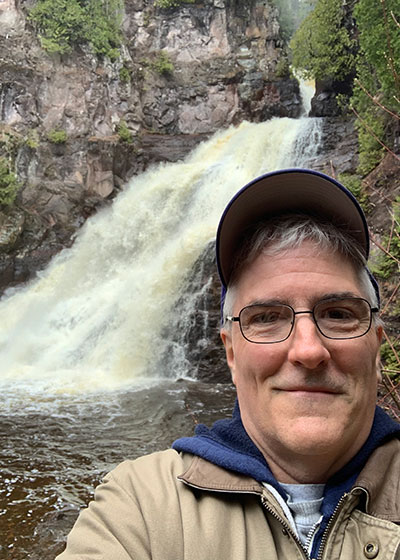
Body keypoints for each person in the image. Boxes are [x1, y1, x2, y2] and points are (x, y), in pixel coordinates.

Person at [56, 169, 400, 560]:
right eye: (267, 317)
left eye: (338, 314)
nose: (308, 350)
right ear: (231, 354)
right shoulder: (141, 505)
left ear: (376, 344)